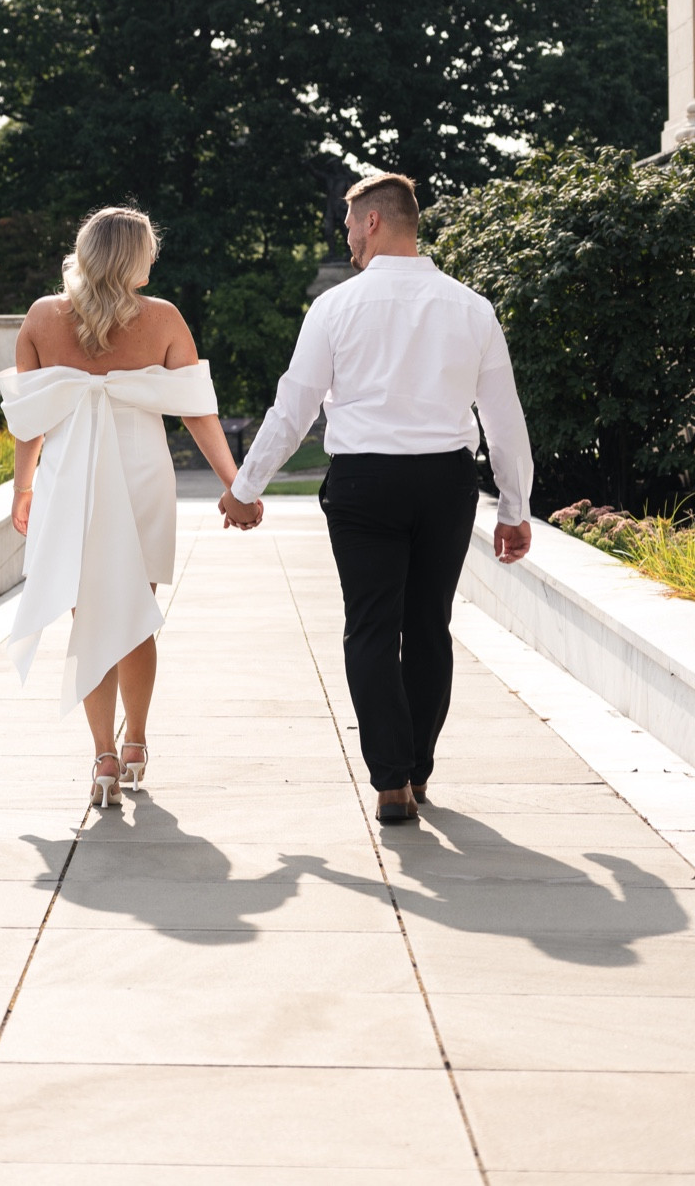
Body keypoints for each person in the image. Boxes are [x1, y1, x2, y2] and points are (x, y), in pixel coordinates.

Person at [222, 172, 532, 824]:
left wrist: (246, 488)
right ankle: (416, 770)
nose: (347, 238)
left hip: (364, 483)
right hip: (445, 482)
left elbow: (295, 407)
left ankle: (390, 781)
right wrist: (514, 506)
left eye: (348, 224)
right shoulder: (470, 307)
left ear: (373, 222)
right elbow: (503, 417)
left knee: (369, 627)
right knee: (428, 628)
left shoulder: (335, 308)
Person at [0, 206, 262, 810]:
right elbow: (198, 410)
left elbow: (29, 419)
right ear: (133, 258)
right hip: (141, 474)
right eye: (149, 250)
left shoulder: (43, 317)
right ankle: (137, 741)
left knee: (86, 611)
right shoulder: (163, 318)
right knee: (135, 611)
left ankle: (103, 756)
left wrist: (24, 487)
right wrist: (236, 484)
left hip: (70, 482)